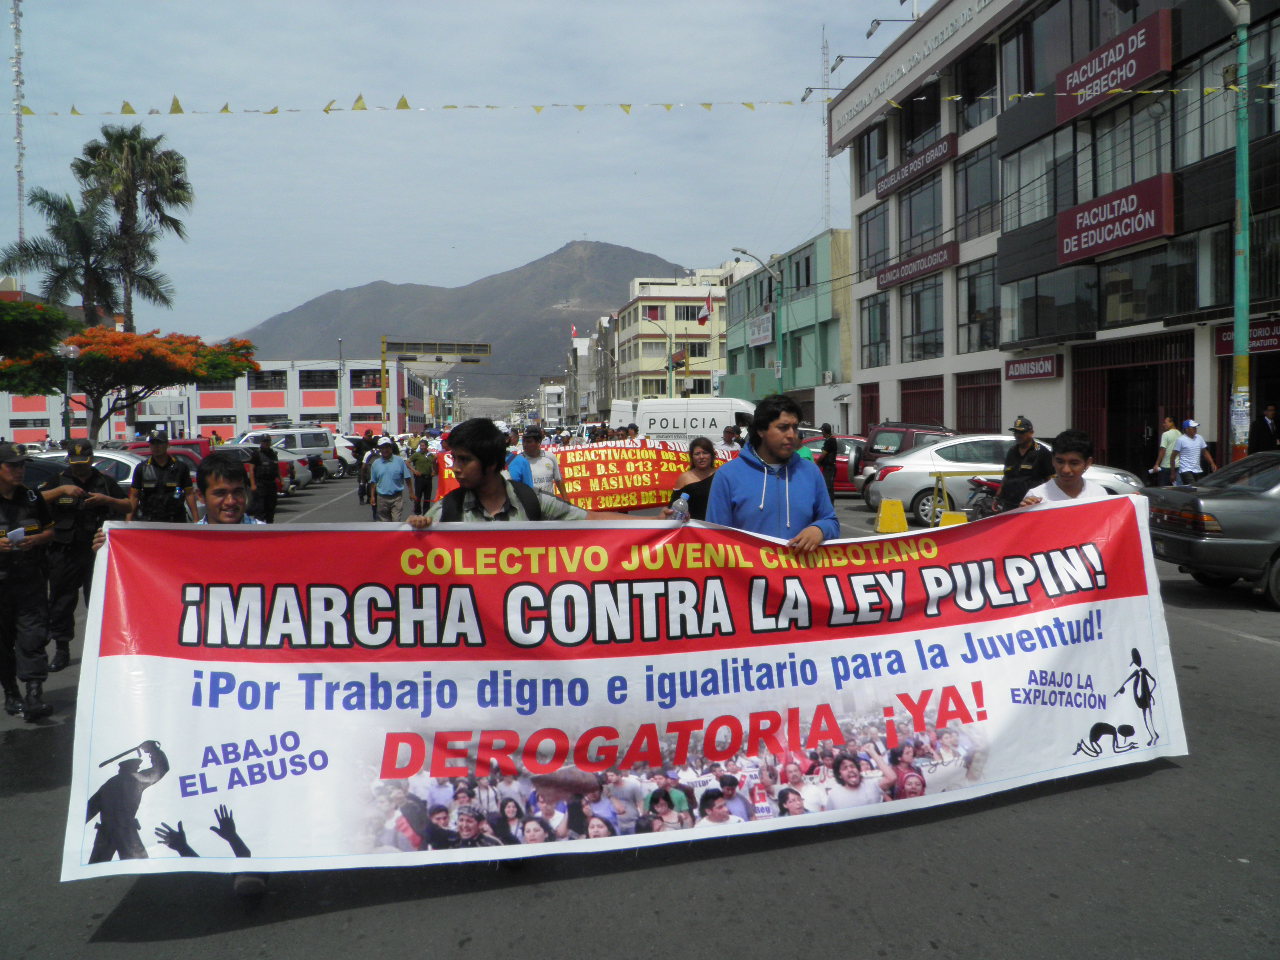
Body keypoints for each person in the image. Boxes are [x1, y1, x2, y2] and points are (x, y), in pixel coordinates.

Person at [420, 418, 624, 524]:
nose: (455, 468)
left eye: (464, 460)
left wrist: (645, 526)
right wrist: (415, 528)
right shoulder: (446, 510)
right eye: (454, 458)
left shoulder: (533, 502)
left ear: (490, 462)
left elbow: (592, 519)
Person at [704, 394, 839, 555]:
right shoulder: (728, 476)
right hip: (747, 570)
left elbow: (831, 521)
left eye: (794, 427)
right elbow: (714, 538)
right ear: (761, 430)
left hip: (800, 570)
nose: (791, 435)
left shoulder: (811, 472)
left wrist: (820, 529)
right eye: (783, 427)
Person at [39, 439, 129, 672]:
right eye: (75, 462)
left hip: (96, 551)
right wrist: (61, 491)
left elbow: (128, 505)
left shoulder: (104, 482)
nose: (79, 466)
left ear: (91, 460)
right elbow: (35, 500)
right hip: (64, 551)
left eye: (83, 462)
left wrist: (106, 500)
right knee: (61, 602)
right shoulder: (59, 481)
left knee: (100, 601)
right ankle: (62, 649)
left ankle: (102, 649)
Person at [0, 442, 55, 720]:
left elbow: (50, 530)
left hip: (30, 580)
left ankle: (34, 695)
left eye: (21, 465)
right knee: (3, 642)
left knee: (33, 636)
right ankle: (11, 694)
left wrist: (37, 539)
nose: (19, 471)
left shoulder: (32, 497)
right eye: (12, 466)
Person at [85, 739, 169, 861]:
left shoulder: (109, 784)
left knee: (96, 866)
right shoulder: (136, 779)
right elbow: (161, 769)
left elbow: (89, 809)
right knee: (139, 866)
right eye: (137, 767)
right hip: (126, 831)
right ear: (133, 768)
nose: (139, 769)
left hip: (106, 832)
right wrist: (154, 750)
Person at [1020, 430, 1110, 504]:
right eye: (1060, 462)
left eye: (1074, 463)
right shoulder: (1036, 497)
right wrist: (1025, 513)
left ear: (1088, 463)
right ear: (1052, 460)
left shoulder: (1099, 495)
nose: (1065, 470)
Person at [128, 430, 198, 523]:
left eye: (159, 443)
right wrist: (128, 521)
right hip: (149, 521)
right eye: (153, 443)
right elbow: (134, 496)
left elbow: (189, 494)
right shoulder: (142, 468)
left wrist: (196, 520)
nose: (156, 446)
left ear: (167, 444)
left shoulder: (180, 467)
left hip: (175, 520)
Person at [996, 416, 1053, 511]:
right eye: (1015, 432)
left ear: (1031, 432)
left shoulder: (1041, 452)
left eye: (1021, 432)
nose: (1017, 435)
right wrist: (998, 496)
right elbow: (1007, 476)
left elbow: (1049, 479)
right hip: (1009, 503)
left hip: (1030, 504)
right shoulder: (1011, 451)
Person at [507, 426, 567, 497]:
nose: (525, 445)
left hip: (549, 503)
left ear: (539, 442)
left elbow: (558, 480)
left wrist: (566, 499)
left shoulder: (550, 457)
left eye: (529, 442)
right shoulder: (518, 461)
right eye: (523, 441)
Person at [668, 436, 717, 520]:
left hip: (717, 523)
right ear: (692, 457)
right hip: (692, 525)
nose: (701, 457)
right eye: (697, 454)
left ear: (712, 455)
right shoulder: (684, 478)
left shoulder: (720, 475)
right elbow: (672, 508)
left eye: (705, 453)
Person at [825, 751, 895, 808]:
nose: (850, 770)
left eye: (852, 766)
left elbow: (892, 778)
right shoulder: (834, 795)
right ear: (839, 775)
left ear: (858, 770)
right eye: (845, 768)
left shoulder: (873, 784)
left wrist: (872, 752)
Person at [369, 437, 413, 522]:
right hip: (382, 498)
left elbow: (407, 478)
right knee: (384, 523)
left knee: (396, 521)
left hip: (397, 497)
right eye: (382, 448)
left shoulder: (399, 461)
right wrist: (372, 496)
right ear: (380, 449)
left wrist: (411, 493)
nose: (385, 450)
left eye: (387, 447)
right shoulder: (376, 463)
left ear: (391, 448)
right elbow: (373, 482)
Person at [246, 434, 280, 523]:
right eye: (264, 441)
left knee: (271, 507)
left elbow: (277, 467)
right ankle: (260, 526)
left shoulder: (273, 454)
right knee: (260, 508)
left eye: (268, 441)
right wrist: (253, 485)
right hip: (260, 484)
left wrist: (281, 480)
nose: (266, 443)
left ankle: (269, 526)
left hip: (271, 484)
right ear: (261, 442)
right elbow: (251, 470)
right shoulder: (256, 454)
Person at [1173, 419, 1217, 485]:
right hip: (1185, 470)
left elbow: (1205, 452)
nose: (1195, 429)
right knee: (1193, 486)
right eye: (1193, 428)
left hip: (1197, 469)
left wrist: (1212, 463)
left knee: (1197, 488)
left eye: (1195, 427)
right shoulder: (1181, 440)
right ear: (1186, 429)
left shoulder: (1199, 438)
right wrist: (1172, 472)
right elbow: (1173, 456)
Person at [408, 438, 436, 514]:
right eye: (420, 446)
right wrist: (414, 471)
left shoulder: (430, 455)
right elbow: (407, 462)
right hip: (419, 478)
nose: (422, 447)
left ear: (427, 446)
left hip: (428, 478)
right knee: (418, 496)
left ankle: (426, 513)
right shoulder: (417, 454)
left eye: (423, 446)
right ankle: (417, 512)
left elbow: (435, 463)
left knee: (427, 497)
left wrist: (434, 472)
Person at [1150, 416, 1180, 486]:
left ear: (1172, 423)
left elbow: (1162, 450)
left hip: (1166, 466)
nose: (1163, 424)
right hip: (1177, 466)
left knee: (1163, 488)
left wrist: (1157, 464)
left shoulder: (1165, 434)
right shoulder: (1180, 434)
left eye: (1165, 422)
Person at [816, 423, 839, 502]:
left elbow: (823, 455)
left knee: (828, 486)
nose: (821, 433)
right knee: (828, 486)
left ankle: (829, 504)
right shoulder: (829, 440)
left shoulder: (830, 441)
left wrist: (817, 463)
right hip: (828, 467)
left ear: (825, 431)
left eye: (822, 431)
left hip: (829, 468)